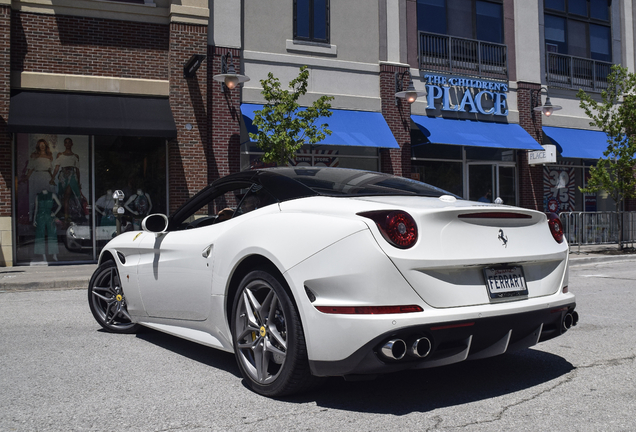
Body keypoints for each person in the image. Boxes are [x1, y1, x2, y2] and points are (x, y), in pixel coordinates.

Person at [23, 139, 55, 222]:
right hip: (37, 176)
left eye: (43, 144)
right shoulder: (34, 155)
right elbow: (30, 168)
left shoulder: (49, 155)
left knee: (47, 197)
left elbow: (50, 170)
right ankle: (32, 218)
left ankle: (47, 217)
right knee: (34, 197)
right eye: (40, 145)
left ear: (45, 146)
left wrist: (52, 179)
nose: (42, 146)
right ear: (38, 146)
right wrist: (26, 177)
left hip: (46, 177)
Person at [51, 138, 82, 222]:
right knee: (64, 197)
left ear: (72, 144)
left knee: (68, 196)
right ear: (64, 144)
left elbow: (77, 170)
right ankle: (67, 217)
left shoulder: (75, 156)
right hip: (63, 175)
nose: (67, 144)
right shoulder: (60, 155)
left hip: (72, 175)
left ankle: (66, 218)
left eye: (69, 142)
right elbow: (57, 167)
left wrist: (78, 182)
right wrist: (52, 178)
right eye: (66, 142)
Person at [33, 189, 61, 261]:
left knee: (52, 235)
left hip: (49, 216)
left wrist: (54, 213)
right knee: (40, 235)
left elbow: (60, 205)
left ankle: (54, 254)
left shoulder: (52, 195)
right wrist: (34, 219)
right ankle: (43, 255)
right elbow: (36, 208)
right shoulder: (38, 196)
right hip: (40, 217)